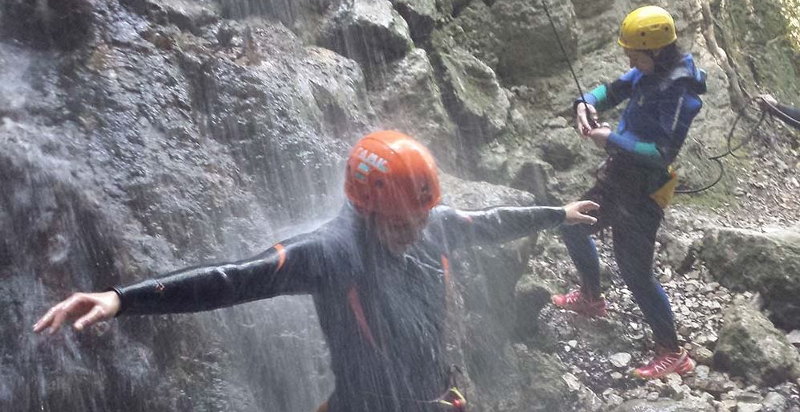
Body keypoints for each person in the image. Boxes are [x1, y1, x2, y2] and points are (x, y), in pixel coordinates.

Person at [34, 130, 599, 412]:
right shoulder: (330, 253)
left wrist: (559, 214)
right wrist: (121, 298)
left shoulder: (436, 223)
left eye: (421, 217)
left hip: (435, 397)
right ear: (364, 205)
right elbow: (233, 278)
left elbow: (491, 220)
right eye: (401, 222)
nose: (415, 230)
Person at [551, 6, 707, 379]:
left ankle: (673, 352)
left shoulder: (680, 93)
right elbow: (614, 88)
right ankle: (592, 298)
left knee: (635, 272)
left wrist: (610, 140)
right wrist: (586, 103)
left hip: (644, 192)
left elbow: (661, 153)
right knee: (571, 225)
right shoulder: (648, 71)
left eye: (634, 54)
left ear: (655, 52)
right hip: (619, 177)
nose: (629, 59)